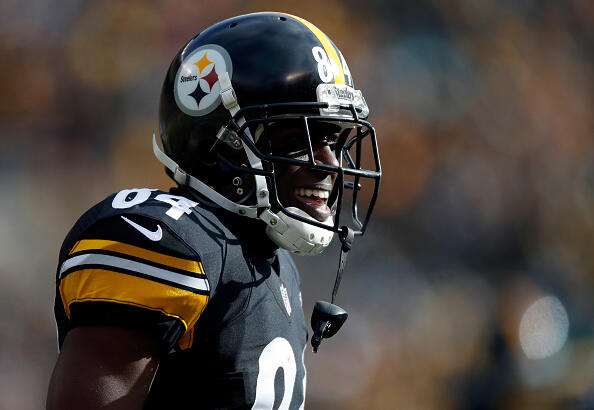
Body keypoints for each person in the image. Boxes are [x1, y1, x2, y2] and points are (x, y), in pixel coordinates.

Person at [47, 12, 381, 409]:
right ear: (220, 146)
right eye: (296, 138)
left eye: (332, 139)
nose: (330, 163)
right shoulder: (165, 239)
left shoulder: (271, 260)